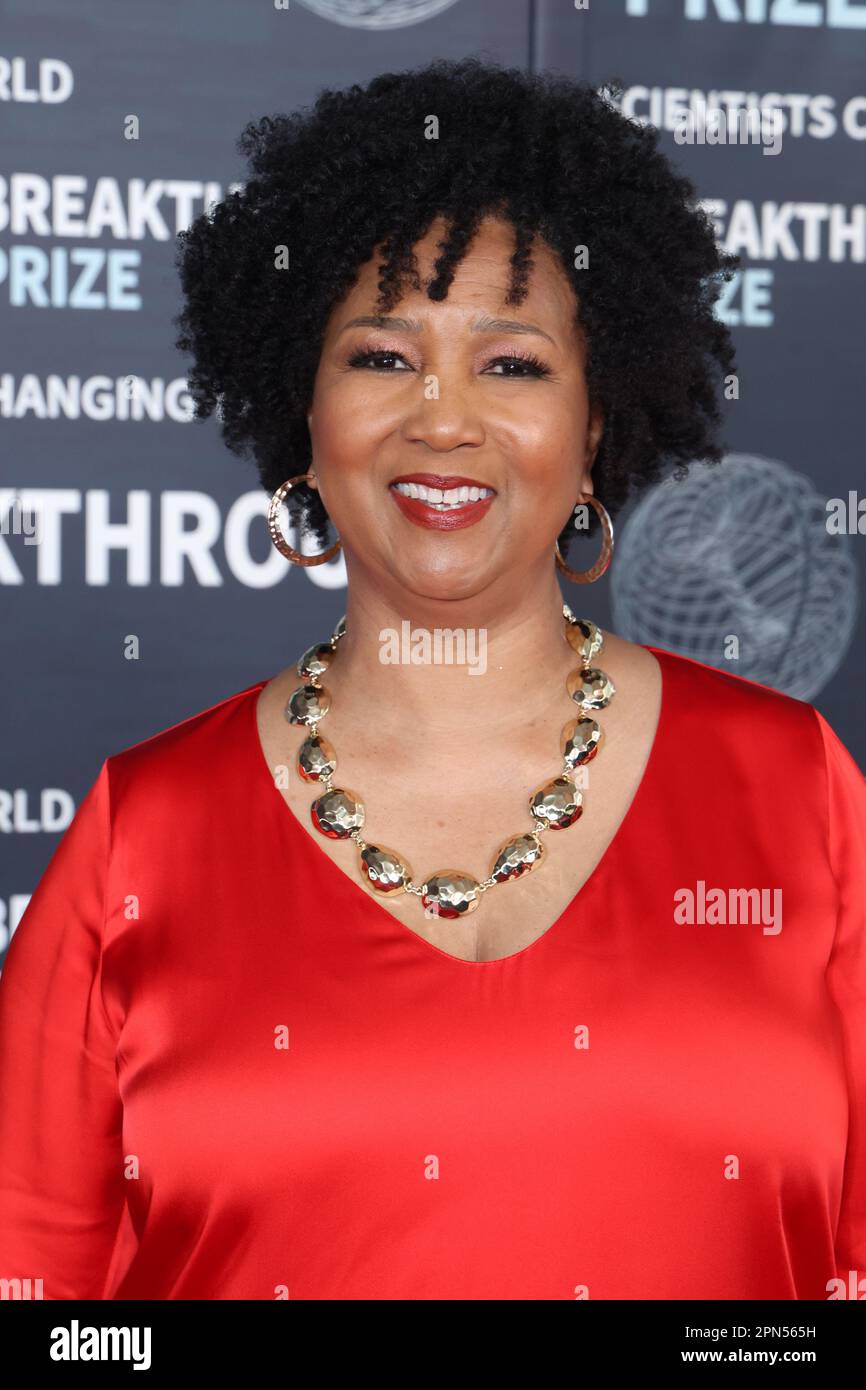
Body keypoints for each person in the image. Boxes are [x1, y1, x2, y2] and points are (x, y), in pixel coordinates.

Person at [1, 57, 864, 1302]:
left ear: (596, 423)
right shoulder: (144, 832)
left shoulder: (797, 791)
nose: (441, 419)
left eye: (510, 365)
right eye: (380, 357)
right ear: (303, 414)